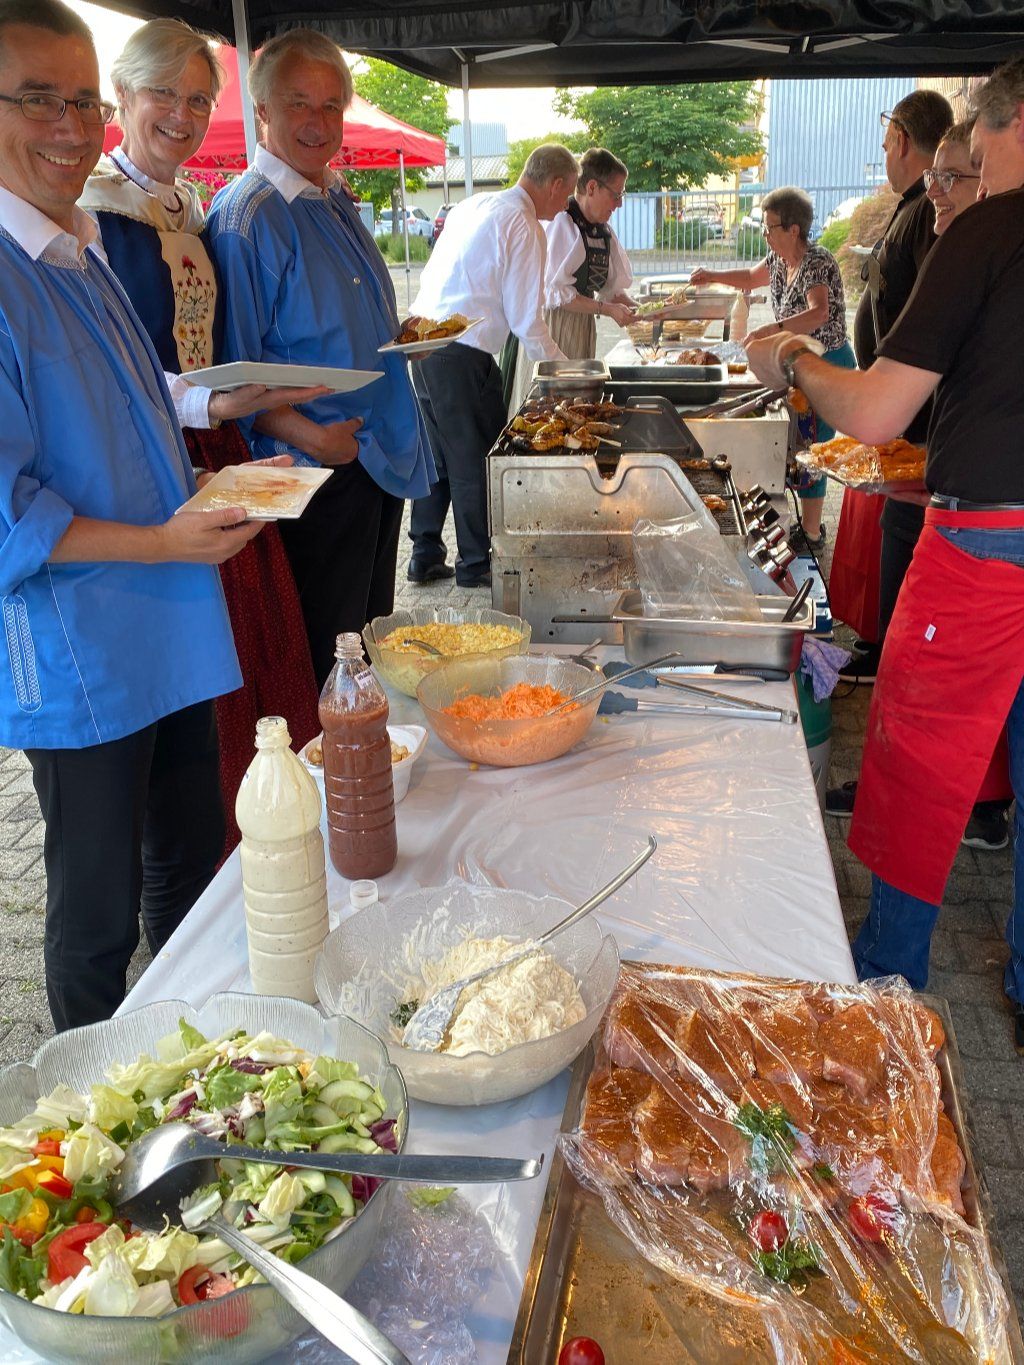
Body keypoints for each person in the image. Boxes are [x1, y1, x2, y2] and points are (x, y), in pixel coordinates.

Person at [745, 56, 1024, 1048]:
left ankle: (883, 988)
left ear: (1004, 124)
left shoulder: (990, 225)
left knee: (914, 756)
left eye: (967, 163)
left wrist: (790, 357)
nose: (956, 185)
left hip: (988, 548)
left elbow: (874, 407)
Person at [0, 0, 266, 1030]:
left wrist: (209, 411)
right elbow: (12, 516)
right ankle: (89, 1109)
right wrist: (163, 539)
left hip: (167, 618)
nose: (71, 127)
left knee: (191, 874)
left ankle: (196, 1061)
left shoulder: (78, 245)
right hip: (84, 650)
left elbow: (133, 393)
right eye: (38, 100)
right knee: (95, 914)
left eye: (80, 99)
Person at [78, 18, 324, 847]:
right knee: (196, 683)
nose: (181, 115)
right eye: (164, 96)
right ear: (122, 96)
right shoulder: (91, 216)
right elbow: (111, 372)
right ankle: (199, 863)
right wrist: (207, 408)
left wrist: (245, 401)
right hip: (152, 461)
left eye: (197, 99)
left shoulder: (192, 204)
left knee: (258, 649)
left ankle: (266, 829)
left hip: (215, 443)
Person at [206, 29, 435, 685]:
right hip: (312, 469)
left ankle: (363, 772)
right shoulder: (248, 216)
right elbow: (233, 376)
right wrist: (316, 438)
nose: (318, 122)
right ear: (264, 111)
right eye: (299, 103)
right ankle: (328, 782)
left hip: (374, 455)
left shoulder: (331, 196)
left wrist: (400, 333)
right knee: (321, 661)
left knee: (363, 647)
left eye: (332, 106)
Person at [406, 143, 578, 589]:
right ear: (555, 183)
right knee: (474, 458)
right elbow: (527, 321)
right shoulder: (524, 224)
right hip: (463, 350)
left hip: (425, 342)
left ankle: (424, 553)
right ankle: (476, 563)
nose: (564, 208)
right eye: (567, 195)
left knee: (437, 455)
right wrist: (565, 375)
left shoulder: (474, 204)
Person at [832, 89, 953, 687]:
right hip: (902, 414)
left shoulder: (927, 215)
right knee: (892, 532)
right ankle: (884, 646)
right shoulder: (911, 210)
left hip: (915, 422)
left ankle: (891, 658)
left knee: (902, 533)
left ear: (902, 139)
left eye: (885, 144)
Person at [691, 186, 854, 550]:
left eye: (770, 227)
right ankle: (802, 521)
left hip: (827, 363)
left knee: (814, 449)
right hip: (798, 363)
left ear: (793, 229)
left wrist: (771, 330)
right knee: (799, 444)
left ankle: (812, 533)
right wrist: (712, 275)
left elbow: (819, 313)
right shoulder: (779, 260)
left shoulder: (817, 261)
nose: (765, 234)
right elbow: (750, 278)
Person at [507, 146, 636, 410]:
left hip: (583, 328)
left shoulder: (603, 232)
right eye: (616, 194)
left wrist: (642, 313)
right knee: (550, 408)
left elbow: (612, 291)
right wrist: (607, 309)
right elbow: (554, 294)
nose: (619, 203)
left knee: (576, 406)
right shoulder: (562, 224)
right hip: (555, 328)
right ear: (591, 187)